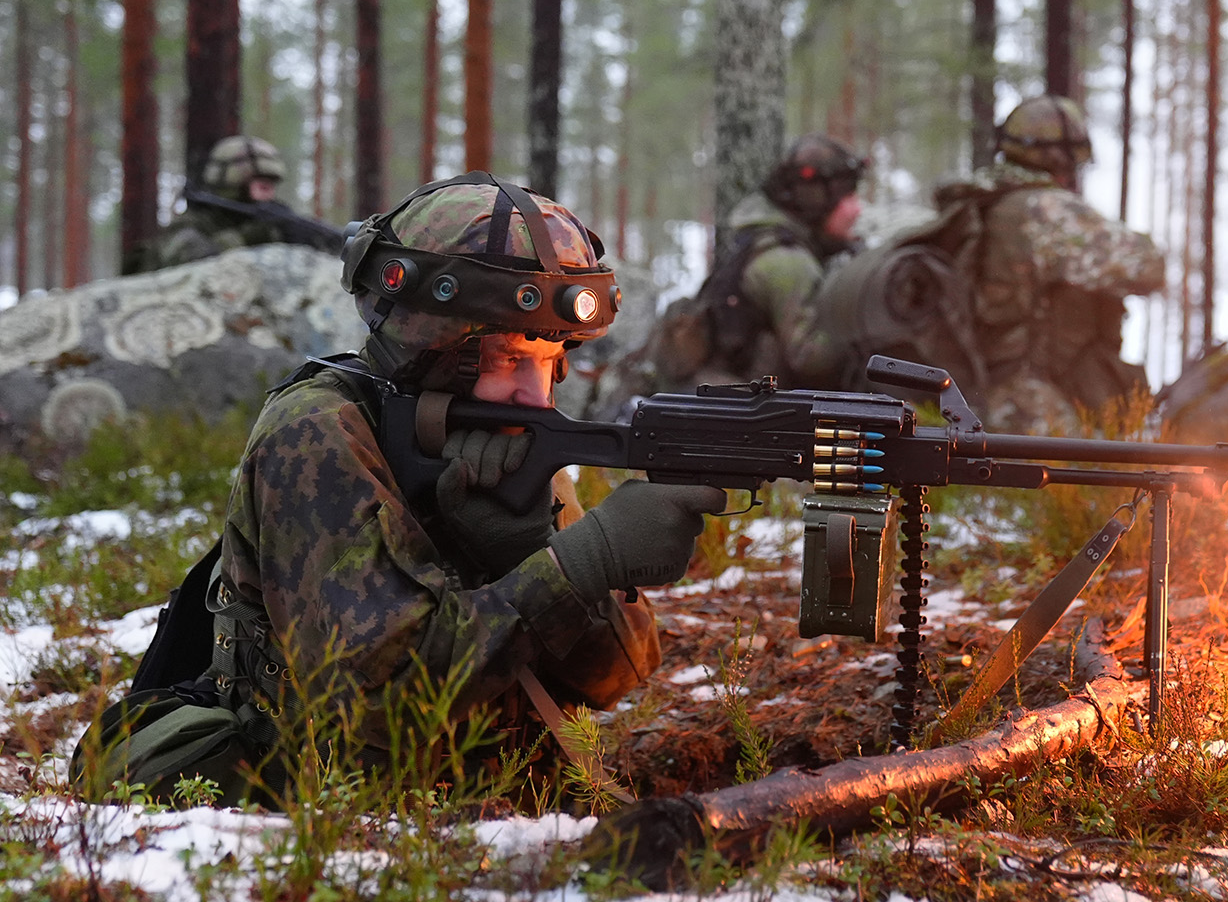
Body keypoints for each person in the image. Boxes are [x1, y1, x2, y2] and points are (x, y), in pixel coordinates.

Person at [81, 173, 725, 803]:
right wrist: (583, 563)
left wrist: (527, 550)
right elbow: (379, 701)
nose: (534, 395)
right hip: (319, 805)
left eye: (548, 360)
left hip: (491, 803)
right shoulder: (315, 434)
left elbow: (614, 675)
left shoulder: (515, 442)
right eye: (507, 359)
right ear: (432, 349)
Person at [816, 96, 1163, 432]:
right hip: (1033, 404)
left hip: (975, 396)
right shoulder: (1045, 210)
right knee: (1090, 480)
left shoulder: (978, 202)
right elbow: (1146, 265)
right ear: (1065, 157)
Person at [644, 134, 866, 393]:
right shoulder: (788, 263)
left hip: (730, 401)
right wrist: (864, 319)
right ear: (815, 199)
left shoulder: (762, 243)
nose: (856, 209)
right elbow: (811, 360)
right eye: (846, 195)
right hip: (745, 413)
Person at [130, 135, 343, 273]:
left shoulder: (274, 222)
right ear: (231, 184)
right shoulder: (193, 223)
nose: (268, 191)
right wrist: (248, 238)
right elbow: (189, 263)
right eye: (260, 184)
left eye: (271, 184)